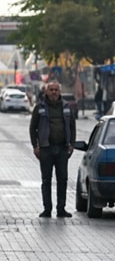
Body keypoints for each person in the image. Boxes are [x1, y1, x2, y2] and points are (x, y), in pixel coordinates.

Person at [29, 80, 76, 218]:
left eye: (56, 90)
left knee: (62, 180)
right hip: (46, 149)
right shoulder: (40, 107)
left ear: (59, 92)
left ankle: (61, 209)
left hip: (62, 149)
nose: (54, 92)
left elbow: (72, 127)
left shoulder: (66, 106)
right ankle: (47, 209)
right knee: (46, 180)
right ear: (46, 92)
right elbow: (33, 128)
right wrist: (35, 146)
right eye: (51, 90)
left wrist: (71, 144)